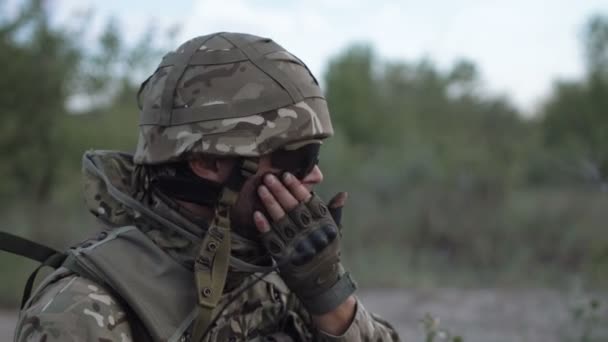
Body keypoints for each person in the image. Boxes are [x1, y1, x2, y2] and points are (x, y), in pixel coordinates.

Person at [13, 32, 400, 342]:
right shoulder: (81, 313)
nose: (315, 176)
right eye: (299, 158)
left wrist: (328, 296)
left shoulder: (278, 270)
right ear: (209, 163)